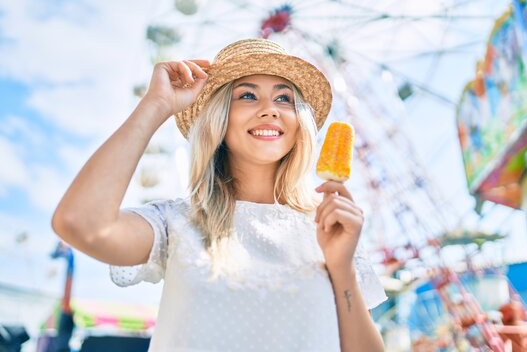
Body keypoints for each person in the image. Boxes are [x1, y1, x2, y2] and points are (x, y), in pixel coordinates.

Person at [52, 38, 387, 351]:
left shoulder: (330, 231)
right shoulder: (176, 222)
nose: (271, 109)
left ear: (300, 123)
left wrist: (342, 268)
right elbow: (80, 223)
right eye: (247, 95)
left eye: (284, 98)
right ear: (219, 119)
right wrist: (156, 105)